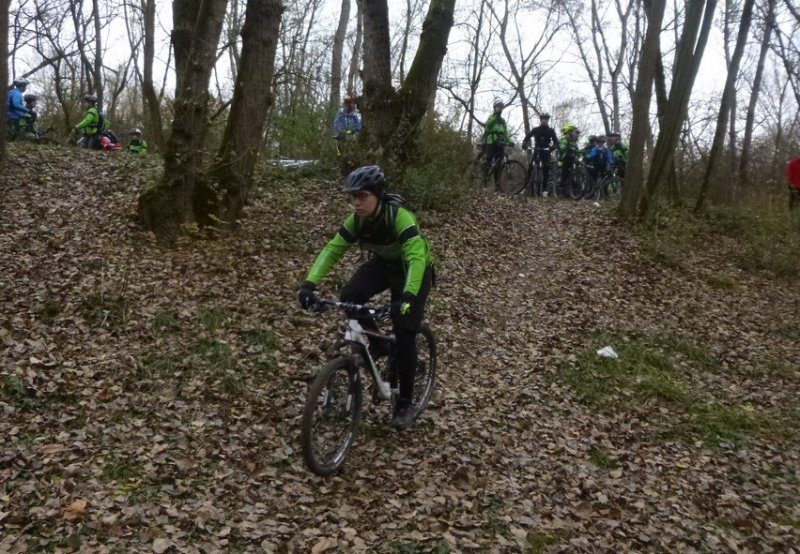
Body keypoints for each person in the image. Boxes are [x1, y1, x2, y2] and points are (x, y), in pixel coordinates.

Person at [297, 165, 434, 429]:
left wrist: (406, 298)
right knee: (350, 294)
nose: (356, 203)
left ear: (378, 195)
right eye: (352, 197)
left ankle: (405, 402)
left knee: (405, 333)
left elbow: (417, 258)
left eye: (362, 196)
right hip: (384, 265)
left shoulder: (400, 217)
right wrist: (309, 284)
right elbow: (333, 249)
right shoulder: (357, 221)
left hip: (413, 271)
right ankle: (380, 343)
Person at [521, 113, 559, 194]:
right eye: (543, 119)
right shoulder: (536, 129)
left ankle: (545, 190)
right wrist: (524, 143)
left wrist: (552, 148)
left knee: (546, 168)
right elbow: (528, 136)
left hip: (546, 151)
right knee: (530, 166)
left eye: (546, 120)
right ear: (540, 120)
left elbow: (556, 142)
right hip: (537, 149)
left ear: (548, 121)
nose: (544, 121)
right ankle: (524, 187)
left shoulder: (551, 131)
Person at [483, 100, 513, 177]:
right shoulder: (491, 117)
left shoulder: (502, 120)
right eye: (498, 107)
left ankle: (497, 186)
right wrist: (496, 117)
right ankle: (484, 180)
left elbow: (505, 132)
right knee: (489, 160)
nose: (500, 109)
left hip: (500, 142)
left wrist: (509, 141)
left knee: (498, 165)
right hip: (491, 141)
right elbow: (488, 125)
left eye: (501, 107)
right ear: (494, 108)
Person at [557, 124, 581, 193]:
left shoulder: (573, 141)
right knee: (565, 173)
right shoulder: (565, 139)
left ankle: (573, 188)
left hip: (571, 158)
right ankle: (561, 187)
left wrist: (579, 153)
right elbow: (562, 146)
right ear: (567, 132)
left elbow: (576, 149)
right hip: (564, 158)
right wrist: (565, 147)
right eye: (570, 131)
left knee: (571, 173)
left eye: (572, 131)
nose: (572, 133)